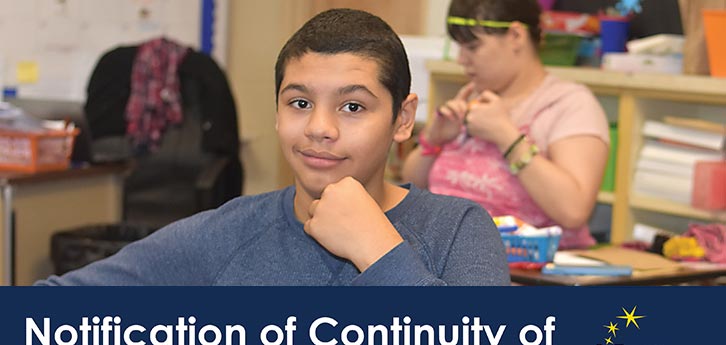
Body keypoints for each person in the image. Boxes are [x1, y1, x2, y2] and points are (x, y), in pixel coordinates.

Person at [37, 8, 509, 286]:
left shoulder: (457, 231)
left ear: (402, 119)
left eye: (352, 108)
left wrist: (378, 249)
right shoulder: (226, 234)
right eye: (300, 102)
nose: (319, 128)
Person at [402, 0, 610, 248]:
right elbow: (411, 187)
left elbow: (573, 211)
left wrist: (507, 137)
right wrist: (433, 140)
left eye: (472, 47)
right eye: (459, 47)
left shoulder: (568, 105)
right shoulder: (471, 98)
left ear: (515, 36)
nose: (461, 59)